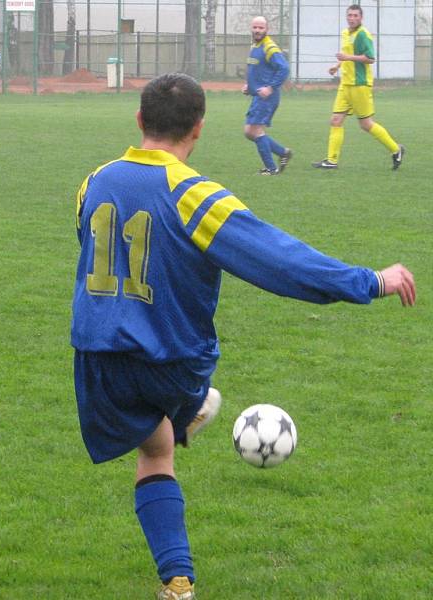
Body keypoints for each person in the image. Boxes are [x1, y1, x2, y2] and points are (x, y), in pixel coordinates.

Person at [71, 73, 415, 600]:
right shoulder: (194, 195)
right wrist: (369, 281)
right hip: (172, 357)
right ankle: (188, 414)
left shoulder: (94, 181)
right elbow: (278, 260)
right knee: (161, 443)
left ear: (139, 120)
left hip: (98, 356)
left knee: (154, 449)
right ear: (200, 129)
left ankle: (178, 578)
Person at [312, 4, 404, 170]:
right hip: (345, 84)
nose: (352, 18)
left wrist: (347, 57)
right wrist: (337, 65)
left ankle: (396, 149)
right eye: (350, 15)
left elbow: (370, 58)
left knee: (366, 124)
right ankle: (331, 161)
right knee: (335, 120)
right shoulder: (346, 33)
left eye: (355, 15)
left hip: (359, 85)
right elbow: (347, 54)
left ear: (361, 18)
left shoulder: (363, 34)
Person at [242, 16, 292, 175]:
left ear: (266, 29)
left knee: (255, 131)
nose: (257, 30)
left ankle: (271, 169)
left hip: (267, 97)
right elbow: (257, 71)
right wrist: (249, 87)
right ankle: (283, 153)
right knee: (249, 132)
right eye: (255, 27)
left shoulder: (270, 47)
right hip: (258, 96)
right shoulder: (255, 46)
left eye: (261, 28)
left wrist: (270, 88)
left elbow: (284, 68)